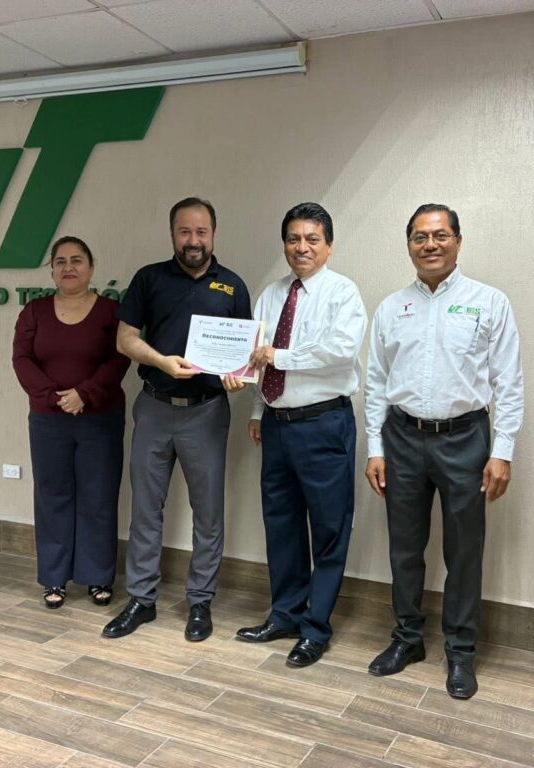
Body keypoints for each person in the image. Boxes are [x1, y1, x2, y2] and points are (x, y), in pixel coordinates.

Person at [363, 204, 524, 699]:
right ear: (409, 245)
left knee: (464, 550)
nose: (429, 245)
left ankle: (460, 651)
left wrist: (502, 450)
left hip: (465, 439)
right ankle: (407, 639)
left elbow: (509, 382)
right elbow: (375, 382)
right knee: (404, 548)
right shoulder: (392, 308)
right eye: (419, 237)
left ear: (458, 240)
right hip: (402, 438)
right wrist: (375, 447)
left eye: (439, 235)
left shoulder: (489, 302)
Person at [102, 197, 251, 643]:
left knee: (208, 512)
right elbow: (125, 339)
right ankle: (141, 599)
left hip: (206, 412)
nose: (193, 240)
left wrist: (238, 377)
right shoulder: (149, 279)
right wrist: (161, 361)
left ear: (213, 235)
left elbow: (244, 352)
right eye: (185, 231)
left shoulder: (232, 286)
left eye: (201, 231)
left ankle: (200, 601)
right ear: (172, 234)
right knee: (146, 508)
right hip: (154, 406)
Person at [235, 202, 367, 667]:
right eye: (294, 239)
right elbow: (256, 358)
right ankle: (285, 615)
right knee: (282, 525)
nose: (302, 247)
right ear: (284, 245)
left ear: (328, 246)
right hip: (277, 425)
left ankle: (315, 628)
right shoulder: (271, 295)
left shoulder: (343, 292)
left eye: (312, 239)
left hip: (323, 424)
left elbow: (341, 350)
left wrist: (280, 355)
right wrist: (257, 408)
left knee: (329, 530)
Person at [13, 236, 130, 610]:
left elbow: (119, 359)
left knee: (99, 496)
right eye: (60, 261)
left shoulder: (111, 311)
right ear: (52, 271)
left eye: (77, 260)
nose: (68, 267)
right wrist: (54, 398)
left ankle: (98, 576)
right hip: (48, 421)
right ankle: (54, 577)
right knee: (52, 496)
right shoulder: (34, 312)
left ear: (91, 268)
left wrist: (84, 394)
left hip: (100, 419)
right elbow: (22, 359)